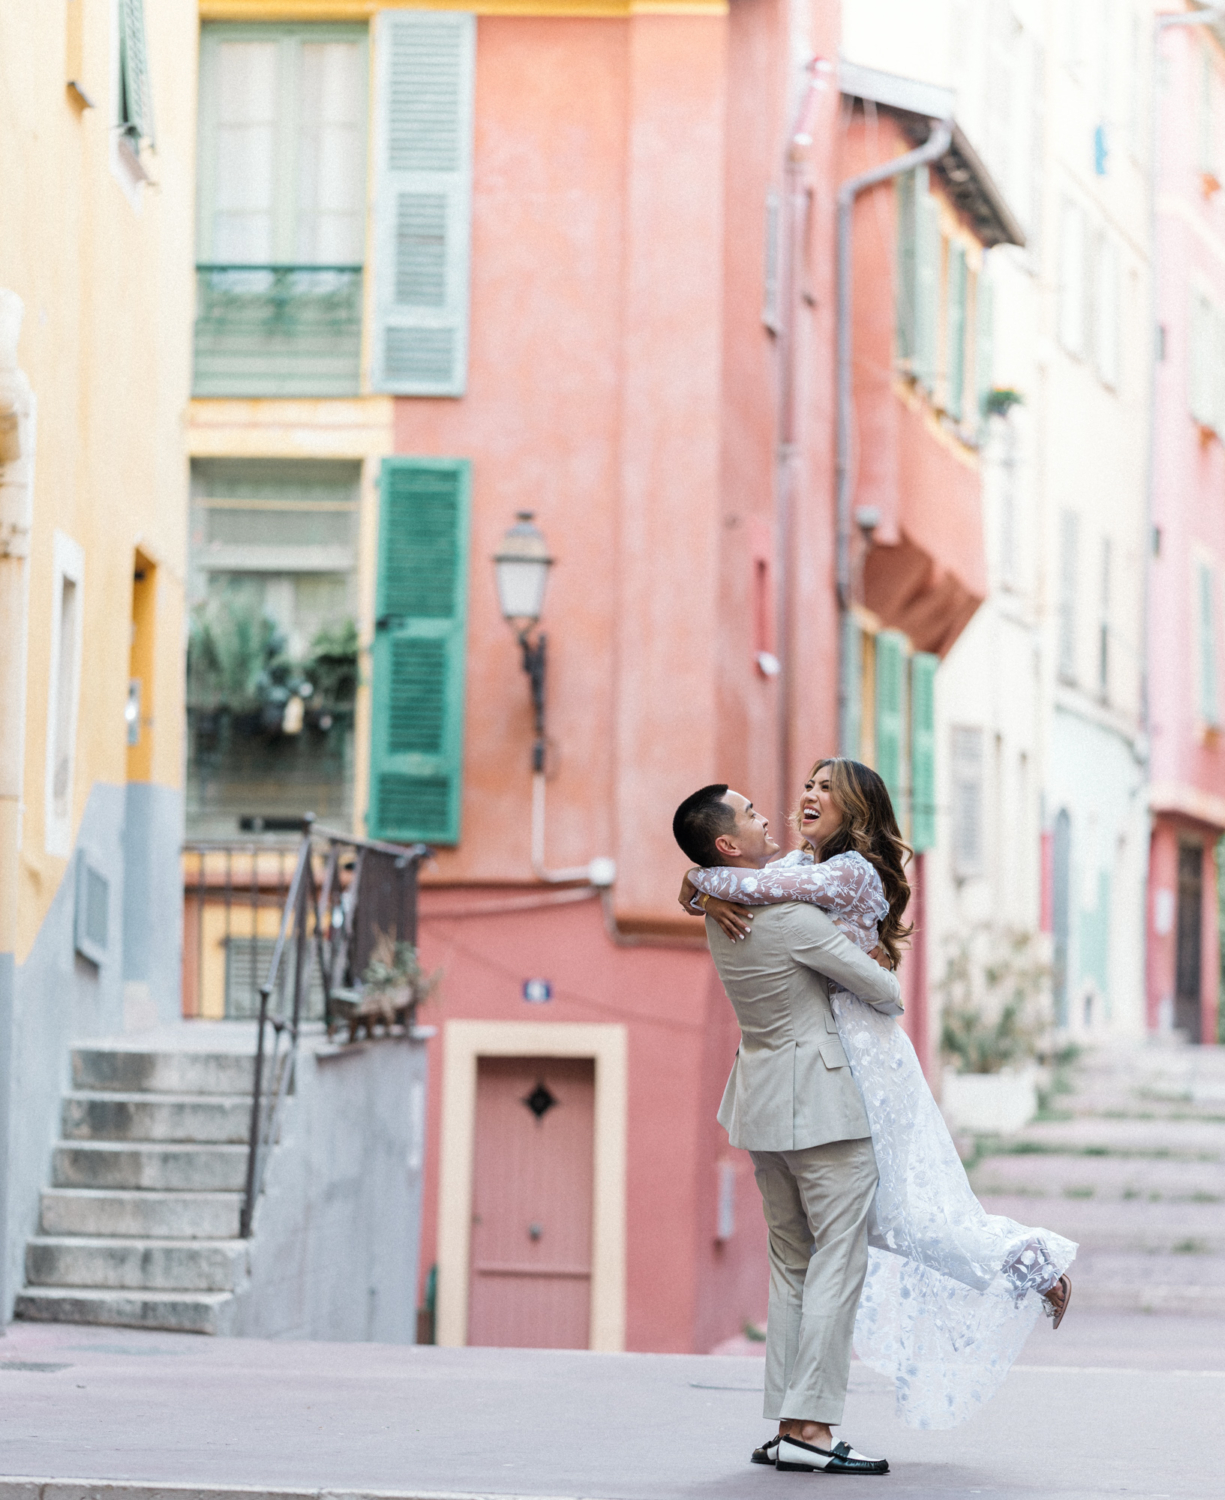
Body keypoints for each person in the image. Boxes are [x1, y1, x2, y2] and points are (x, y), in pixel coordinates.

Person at [680, 758, 1076, 1432]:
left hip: (861, 1049)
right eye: (805, 783)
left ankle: (1025, 1260)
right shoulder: (800, 870)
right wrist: (702, 890)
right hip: (823, 1055)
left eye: (825, 790)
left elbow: (739, 879)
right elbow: (736, 877)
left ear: (856, 812)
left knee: (897, 1212)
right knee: (867, 1224)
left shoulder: (850, 871)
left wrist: (700, 886)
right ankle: (799, 1422)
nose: (806, 794)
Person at [672, 783, 902, 1476]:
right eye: (748, 814)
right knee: (839, 1257)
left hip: (760, 1102)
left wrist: (697, 891)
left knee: (791, 1263)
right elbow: (885, 995)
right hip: (824, 1105)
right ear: (728, 845)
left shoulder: (722, 914)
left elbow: (694, 885)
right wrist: (872, 963)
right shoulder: (796, 919)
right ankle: (812, 1429)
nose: (766, 813)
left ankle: (787, 1425)